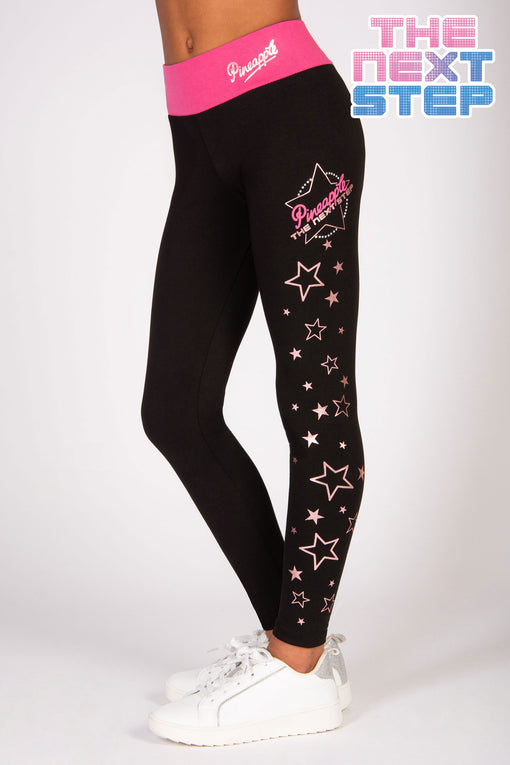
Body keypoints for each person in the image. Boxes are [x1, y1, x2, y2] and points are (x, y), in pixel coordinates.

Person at [141, 0, 366, 745]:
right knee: (175, 411)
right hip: (197, 128)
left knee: (315, 405)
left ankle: (297, 665)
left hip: (287, 114)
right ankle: (296, 641)